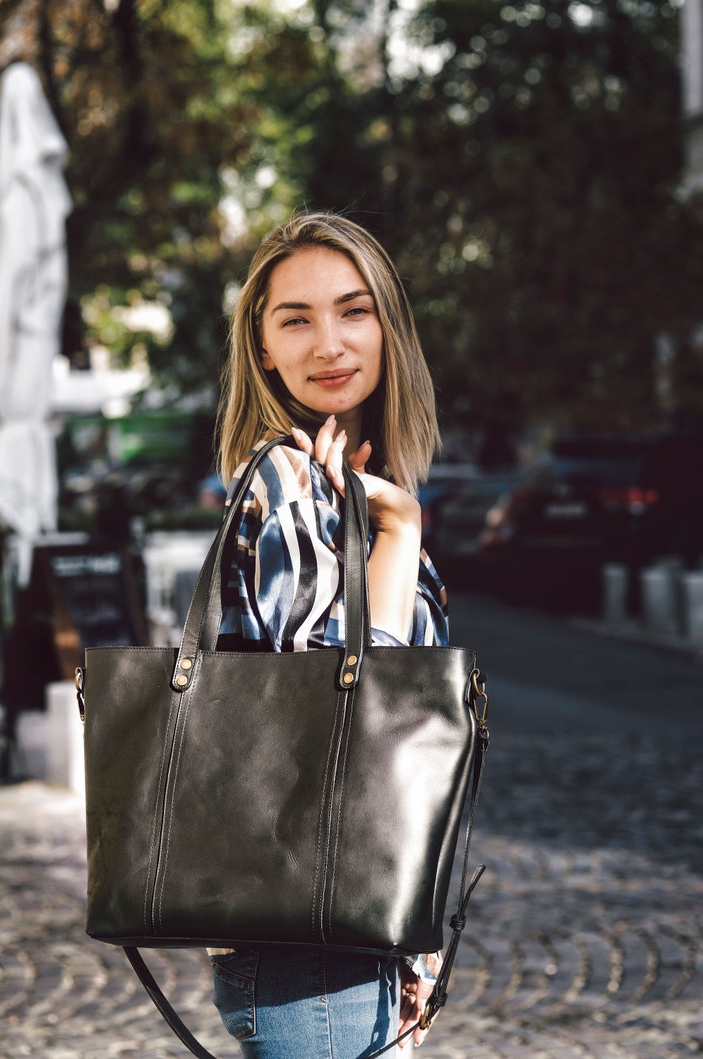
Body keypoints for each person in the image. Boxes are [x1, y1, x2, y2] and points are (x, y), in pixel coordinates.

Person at [212, 212, 450, 1058]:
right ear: (263, 348)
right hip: (313, 945)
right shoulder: (286, 480)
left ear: (388, 324)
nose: (330, 342)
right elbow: (349, 726)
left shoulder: (359, 486)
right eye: (296, 319)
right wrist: (401, 535)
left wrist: (418, 945)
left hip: (353, 936)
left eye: (353, 310)